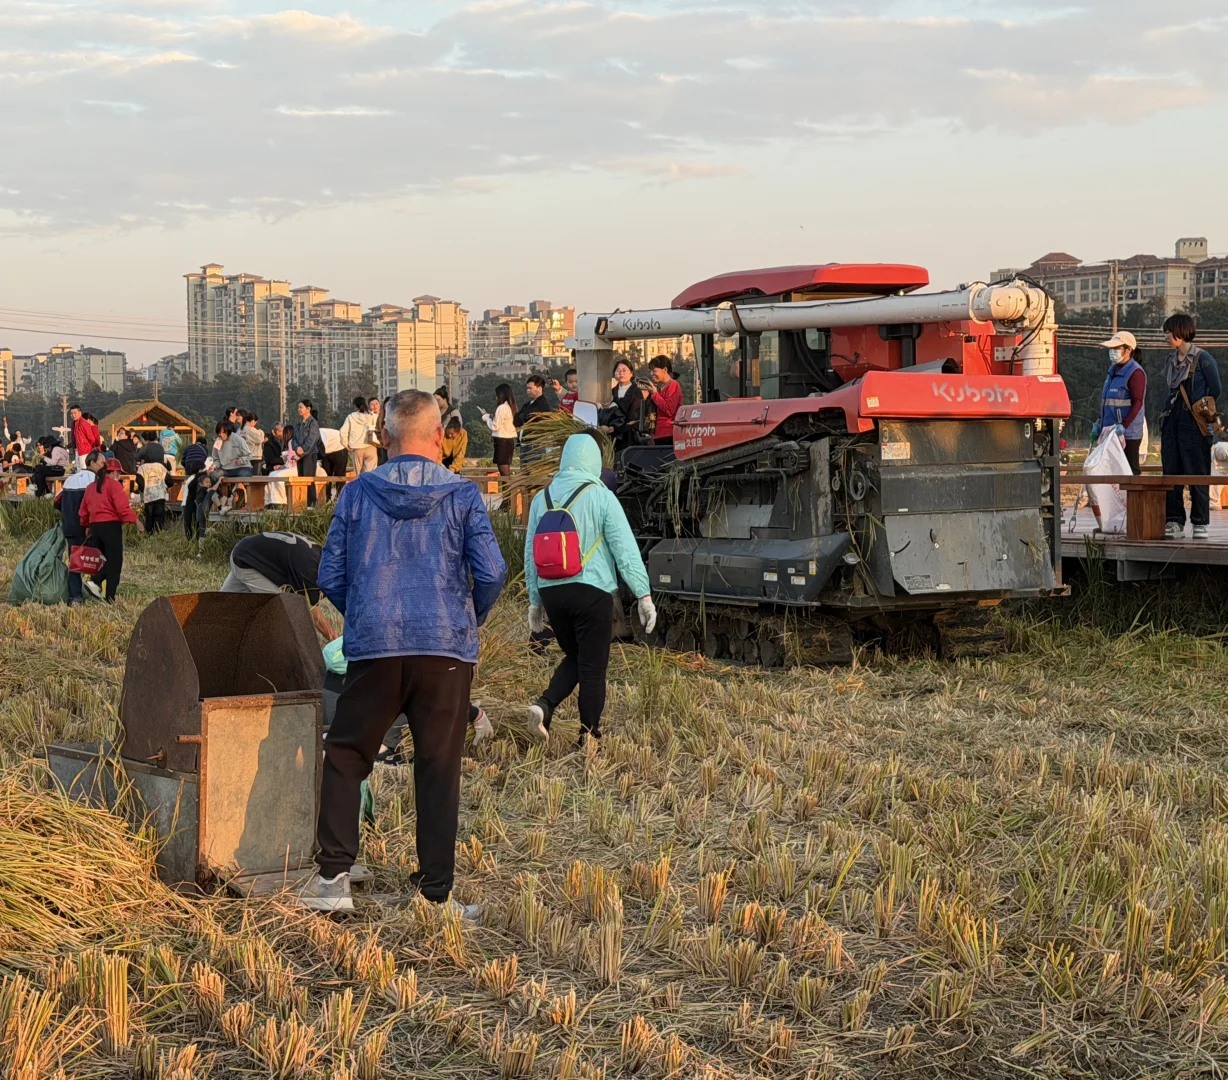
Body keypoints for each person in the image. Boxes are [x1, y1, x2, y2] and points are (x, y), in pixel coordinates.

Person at [299, 389, 507, 914]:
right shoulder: (463, 496)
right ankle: (436, 895)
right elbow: (492, 572)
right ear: (440, 436)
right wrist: (467, 618)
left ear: (384, 437)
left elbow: (330, 575)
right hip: (446, 651)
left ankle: (333, 882)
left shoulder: (356, 493)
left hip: (375, 647)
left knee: (347, 755)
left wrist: (367, 614)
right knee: (439, 766)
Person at [523, 433, 656, 749]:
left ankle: (544, 706)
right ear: (595, 460)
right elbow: (625, 550)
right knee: (594, 668)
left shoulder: (542, 498)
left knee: (577, 656)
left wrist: (535, 602)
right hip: (592, 591)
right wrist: (643, 595)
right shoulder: (601, 496)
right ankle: (589, 736)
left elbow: (531, 552)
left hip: (554, 594)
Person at [1160, 313, 1222, 540]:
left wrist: (1200, 408)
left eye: (1169, 331)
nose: (1166, 336)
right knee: (1171, 471)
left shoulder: (1203, 359)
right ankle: (1174, 520)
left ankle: (1200, 522)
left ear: (1181, 332)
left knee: (1198, 471)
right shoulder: (1170, 360)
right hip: (1171, 419)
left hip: (1195, 422)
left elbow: (1216, 390)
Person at [221, 531, 338, 640]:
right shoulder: (310, 573)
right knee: (281, 613)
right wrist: (334, 639)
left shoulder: (320, 556)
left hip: (246, 550)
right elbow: (313, 614)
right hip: (246, 562)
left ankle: (209, 631)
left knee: (220, 606)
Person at [79, 449, 138, 602]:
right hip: (111, 526)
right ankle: (108, 596)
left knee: (100, 560)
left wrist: (86, 525)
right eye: (118, 473)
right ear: (113, 472)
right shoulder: (114, 486)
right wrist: (136, 521)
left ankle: (95, 588)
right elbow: (122, 507)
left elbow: (84, 510)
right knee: (114, 562)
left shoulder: (91, 487)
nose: (118, 476)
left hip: (95, 527)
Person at [1091, 331, 1146, 475]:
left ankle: (1135, 498)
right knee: (1112, 474)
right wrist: (1099, 422)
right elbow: (1107, 402)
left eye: (1116, 348)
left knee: (1130, 472)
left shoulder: (1135, 373)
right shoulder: (1112, 371)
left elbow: (1137, 402)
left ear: (1128, 350)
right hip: (1109, 431)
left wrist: (1124, 425)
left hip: (1127, 434)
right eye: (1111, 348)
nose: (1112, 352)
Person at [56, 467, 94, 605]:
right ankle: (97, 592)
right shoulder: (94, 481)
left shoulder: (69, 481)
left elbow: (56, 501)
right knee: (97, 559)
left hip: (71, 528)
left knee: (75, 564)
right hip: (89, 529)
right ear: (93, 463)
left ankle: (75, 597)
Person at [602, 359, 645, 451]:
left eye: (624, 370)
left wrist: (616, 428)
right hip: (613, 436)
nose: (621, 373)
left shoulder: (636, 391)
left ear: (631, 373)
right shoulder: (611, 392)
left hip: (629, 435)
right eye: (618, 370)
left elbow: (634, 416)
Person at [289, 399, 321, 508]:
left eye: (301, 407)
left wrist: (300, 453)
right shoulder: (298, 425)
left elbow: (311, 441)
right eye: (298, 407)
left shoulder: (313, 423)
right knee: (301, 479)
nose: (299, 410)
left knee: (308, 479)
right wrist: (297, 448)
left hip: (310, 455)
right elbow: (294, 440)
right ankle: (302, 504)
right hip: (300, 455)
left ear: (308, 409)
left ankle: (311, 505)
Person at [481, 383, 518, 477]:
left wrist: (486, 417)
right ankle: (508, 490)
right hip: (507, 441)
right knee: (505, 470)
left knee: (504, 472)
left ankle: (508, 491)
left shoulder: (502, 408)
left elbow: (495, 426)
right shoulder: (510, 407)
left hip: (502, 441)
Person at [644, 356, 682, 447]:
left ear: (664, 369)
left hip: (668, 432)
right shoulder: (661, 387)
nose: (651, 374)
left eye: (654, 370)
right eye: (651, 371)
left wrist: (654, 394)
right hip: (657, 433)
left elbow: (669, 409)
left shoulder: (673, 385)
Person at [339, 397, 379, 476]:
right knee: (371, 474)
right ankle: (369, 488)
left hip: (356, 448)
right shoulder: (372, 416)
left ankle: (361, 488)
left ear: (355, 406)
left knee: (358, 475)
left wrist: (345, 444)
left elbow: (343, 432)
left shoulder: (351, 417)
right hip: (371, 446)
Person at [138, 454, 168, 534]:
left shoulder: (142, 468)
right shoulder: (160, 466)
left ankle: (149, 534)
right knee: (159, 516)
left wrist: (143, 490)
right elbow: (169, 480)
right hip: (160, 494)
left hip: (149, 495)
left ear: (143, 461)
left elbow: (140, 481)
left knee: (149, 516)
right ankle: (159, 533)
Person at [369, 397, 387, 465]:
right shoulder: (367, 417)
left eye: (376, 404)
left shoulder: (383, 416)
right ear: (369, 406)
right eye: (372, 404)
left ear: (380, 404)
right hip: (372, 444)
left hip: (382, 443)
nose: (375, 406)